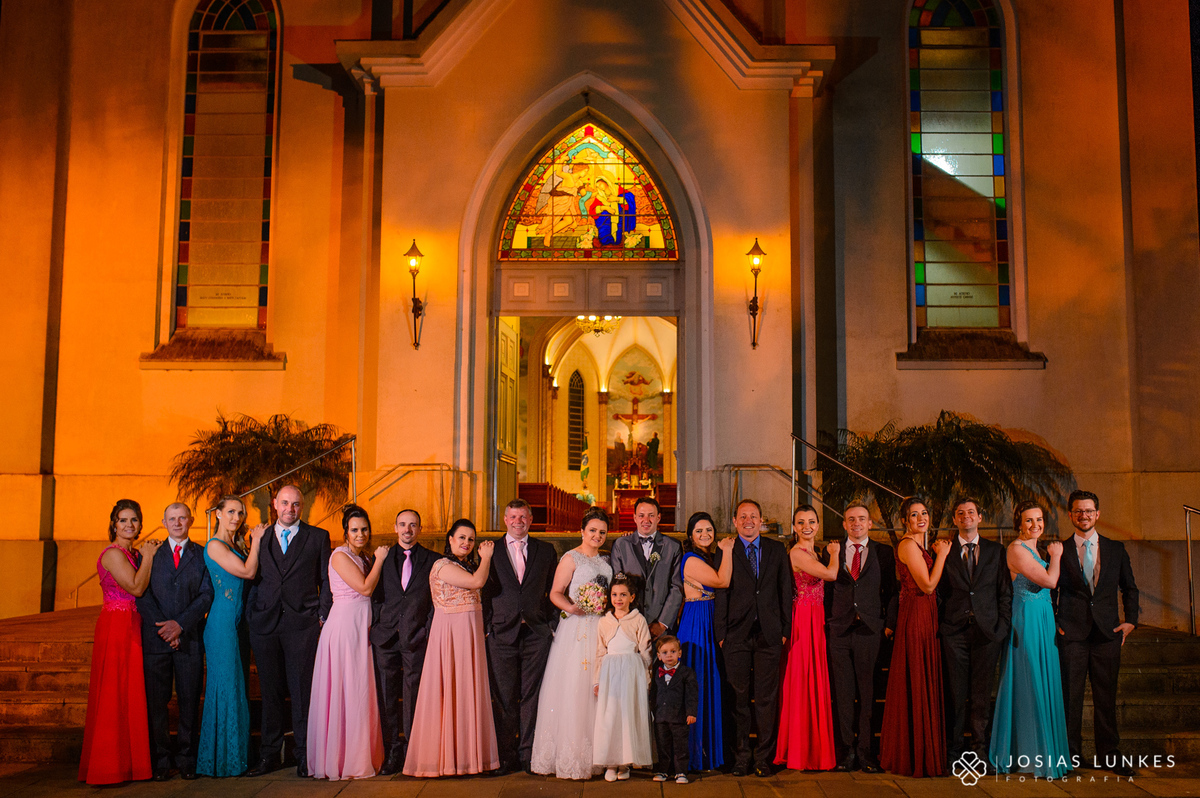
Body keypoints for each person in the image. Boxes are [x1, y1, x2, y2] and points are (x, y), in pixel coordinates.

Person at [245, 485, 332, 777]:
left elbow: (325, 578)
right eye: (284, 503)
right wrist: (252, 616)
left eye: (295, 504)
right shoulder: (260, 537)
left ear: (302, 506)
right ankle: (270, 755)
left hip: (302, 626)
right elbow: (252, 577)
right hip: (265, 625)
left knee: (301, 692)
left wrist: (321, 614)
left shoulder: (318, 537)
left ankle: (304, 756)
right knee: (270, 693)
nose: (289, 509)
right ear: (274, 504)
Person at [1054, 489, 1140, 778]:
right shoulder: (1059, 550)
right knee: (1071, 698)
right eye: (1078, 511)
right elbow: (1049, 588)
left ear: (1098, 514)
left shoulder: (1116, 549)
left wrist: (1131, 621)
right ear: (1070, 515)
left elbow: (1130, 587)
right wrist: (1054, 622)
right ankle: (1070, 756)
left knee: (1106, 698)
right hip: (1073, 634)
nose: (1084, 515)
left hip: (1107, 634)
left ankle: (1110, 756)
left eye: (1089, 510)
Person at [404, 520, 500, 777]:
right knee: (451, 690)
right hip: (451, 635)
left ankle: (467, 757)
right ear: (450, 539)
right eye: (461, 537)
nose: (466, 543)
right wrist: (487, 556)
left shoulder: (463, 565)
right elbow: (477, 582)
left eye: (470, 539)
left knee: (468, 690)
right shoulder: (442, 565)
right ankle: (445, 758)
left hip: (469, 634)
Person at [79, 499, 162, 785]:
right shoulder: (112, 555)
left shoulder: (135, 553)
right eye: (123, 520)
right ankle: (109, 766)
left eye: (134, 520)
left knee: (131, 693)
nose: (129, 525)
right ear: (114, 524)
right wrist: (150, 557)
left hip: (133, 624)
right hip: (116, 626)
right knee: (115, 693)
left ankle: (131, 764)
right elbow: (137, 587)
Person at [989, 501, 1071, 778]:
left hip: (1044, 618)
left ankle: (1047, 752)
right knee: (1030, 680)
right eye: (1028, 520)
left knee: (1043, 678)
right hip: (1027, 621)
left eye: (1039, 520)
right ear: (1019, 524)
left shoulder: (1035, 547)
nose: (1035, 525)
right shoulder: (1016, 549)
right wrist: (1057, 556)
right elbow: (1049, 581)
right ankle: (1031, 756)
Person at [531, 506, 614, 779]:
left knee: (598, 685)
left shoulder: (606, 562)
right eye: (592, 530)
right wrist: (572, 607)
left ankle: (599, 755)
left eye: (602, 532)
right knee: (574, 688)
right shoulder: (571, 558)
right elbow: (555, 593)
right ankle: (570, 756)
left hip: (600, 627)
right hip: (576, 627)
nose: (597, 536)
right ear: (582, 531)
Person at [307, 505, 389, 779]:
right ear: (345, 532)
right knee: (347, 690)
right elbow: (365, 588)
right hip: (344, 629)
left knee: (359, 691)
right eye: (354, 530)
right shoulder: (339, 556)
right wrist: (380, 560)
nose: (360, 534)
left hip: (360, 627)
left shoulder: (362, 556)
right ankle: (342, 760)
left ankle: (358, 753)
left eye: (364, 529)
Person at [713, 498, 793, 777]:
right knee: (738, 699)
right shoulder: (726, 549)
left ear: (761, 520)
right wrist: (721, 634)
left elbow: (786, 590)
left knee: (766, 699)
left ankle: (763, 758)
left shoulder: (776, 549)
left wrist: (785, 630)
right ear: (735, 521)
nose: (749, 520)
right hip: (735, 635)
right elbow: (720, 592)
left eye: (754, 516)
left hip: (769, 634)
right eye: (743, 516)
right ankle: (741, 757)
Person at [136, 503, 213, 781]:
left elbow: (206, 594)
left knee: (189, 701)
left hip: (189, 639)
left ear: (191, 520)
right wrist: (165, 630)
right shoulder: (150, 553)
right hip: (156, 642)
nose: (178, 523)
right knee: (157, 704)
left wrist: (180, 625)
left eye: (182, 518)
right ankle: (161, 761)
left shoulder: (202, 554)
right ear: (163, 521)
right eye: (172, 519)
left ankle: (186, 759)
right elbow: (141, 592)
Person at [483, 498, 558, 774]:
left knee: (531, 695)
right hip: (501, 633)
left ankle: (527, 755)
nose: (518, 522)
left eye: (523, 517)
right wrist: (487, 626)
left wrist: (550, 624)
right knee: (504, 696)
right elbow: (484, 591)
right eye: (513, 517)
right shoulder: (491, 551)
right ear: (505, 520)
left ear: (531, 520)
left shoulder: (546, 550)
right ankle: (506, 756)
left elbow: (553, 590)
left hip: (536, 633)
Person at [937, 498, 1012, 767]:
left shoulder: (995, 551)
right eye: (960, 513)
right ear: (955, 519)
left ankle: (980, 753)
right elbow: (939, 592)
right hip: (954, 632)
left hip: (987, 632)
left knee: (981, 696)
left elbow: (1004, 592)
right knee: (955, 695)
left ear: (980, 517)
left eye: (971, 512)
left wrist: (1001, 628)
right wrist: (942, 627)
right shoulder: (944, 551)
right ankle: (953, 753)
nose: (966, 516)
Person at [880, 497, 951, 777]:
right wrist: (943, 554)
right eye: (914, 514)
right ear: (905, 520)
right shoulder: (908, 544)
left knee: (924, 677)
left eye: (924, 513)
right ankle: (913, 755)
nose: (921, 518)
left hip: (925, 613)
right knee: (916, 677)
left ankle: (924, 751)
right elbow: (929, 584)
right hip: (916, 615)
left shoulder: (919, 544)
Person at [825, 502, 897, 773]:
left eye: (862, 519)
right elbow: (827, 590)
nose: (856, 523)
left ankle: (866, 752)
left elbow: (891, 591)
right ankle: (846, 751)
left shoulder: (884, 553)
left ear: (870, 524)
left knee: (867, 694)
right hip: (840, 631)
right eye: (851, 519)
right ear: (844, 524)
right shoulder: (832, 551)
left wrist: (888, 624)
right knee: (843, 694)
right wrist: (829, 623)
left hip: (870, 631)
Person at [197, 496, 266, 778]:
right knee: (224, 689)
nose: (236, 517)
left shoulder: (234, 544)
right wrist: (258, 539)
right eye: (231, 512)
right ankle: (219, 761)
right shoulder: (214, 545)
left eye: (240, 513)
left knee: (236, 690)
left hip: (235, 624)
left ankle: (234, 759)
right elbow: (248, 572)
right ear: (218, 515)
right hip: (221, 625)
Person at [371, 508, 437, 774]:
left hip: (416, 636)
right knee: (387, 694)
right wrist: (377, 622)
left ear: (420, 529)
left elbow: (436, 598)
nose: (407, 530)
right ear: (395, 527)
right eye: (402, 524)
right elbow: (372, 593)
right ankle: (392, 751)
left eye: (413, 525)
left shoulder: (433, 559)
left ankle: (412, 749)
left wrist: (427, 629)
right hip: (385, 636)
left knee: (413, 694)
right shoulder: (381, 558)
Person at [774, 505, 839, 771]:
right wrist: (834, 554)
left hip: (816, 617)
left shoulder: (813, 551)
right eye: (801, 523)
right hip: (803, 618)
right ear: (794, 527)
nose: (807, 527)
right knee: (802, 680)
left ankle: (815, 749)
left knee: (815, 680)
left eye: (811, 522)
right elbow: (831, 574)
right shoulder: (797, 553)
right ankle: (801, 750)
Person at [677, 511, 734, 771]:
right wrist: (729, 549)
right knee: (699, 682)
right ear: (690, 535)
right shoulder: (690, 559)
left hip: (710, 618)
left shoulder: (708, 556)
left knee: (711, 683)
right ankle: (695, 754)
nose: (705, 535)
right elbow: (722, 581)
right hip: (697, 621)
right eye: (699, 531)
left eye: (709, 530)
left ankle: (712, 752)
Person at [592, 573, 654, 781]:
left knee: (628, 715)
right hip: (610, 674)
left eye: (623, 595)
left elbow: (645, 651)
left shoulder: (638, 620)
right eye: (615, 594)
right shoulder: (604, 622)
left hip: (631, 672)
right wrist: (597, 680)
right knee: (610, 715)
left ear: (632, 597)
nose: (618, 599)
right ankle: (611, 762)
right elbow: (600, 652)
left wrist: (646, 677)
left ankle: (626, 762)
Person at [609, 497, 683, 637]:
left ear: (658, 517)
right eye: (641, 516)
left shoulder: (672, 546)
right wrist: (628, 620)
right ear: (635, 518)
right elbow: (618, 585)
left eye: (651, 515)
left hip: (661, 626)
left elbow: (676, 587)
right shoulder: (621, 545)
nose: (646, 520)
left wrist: (662, 624)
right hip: (628, 624)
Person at [650, 635, 698, 784]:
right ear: (658, 656)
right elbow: (653, 694)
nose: (669, 655)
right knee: (662, 746)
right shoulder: (656, 673)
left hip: (679, 717)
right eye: (664, 652)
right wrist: (652, 712)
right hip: (660, 717)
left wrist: (691, 712)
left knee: (680, 746)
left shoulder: (687, 673)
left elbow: (692, 695)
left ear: (680, 653)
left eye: (672, 651)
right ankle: (663, 770)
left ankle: (681, 772)